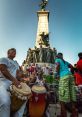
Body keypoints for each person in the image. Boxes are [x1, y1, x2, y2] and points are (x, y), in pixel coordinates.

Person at [0, 48, 26, 117]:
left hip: (14, 82)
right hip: (3, 82)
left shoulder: (16, 63)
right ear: (8, 52)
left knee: (25, 97)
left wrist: (22, 77)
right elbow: (3, 70)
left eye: (15, 51)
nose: (14, 52)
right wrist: (14, 80)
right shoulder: (4, 59)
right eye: (12, 51)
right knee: (5, 101)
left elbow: (18, 75)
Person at [55, 53, 78, 117]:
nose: (56, 57)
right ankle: (74, 113)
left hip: (64, 77)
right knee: (72, 93)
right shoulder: (65, 62)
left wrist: (57, 74)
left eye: (57, 56)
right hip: (70, 76)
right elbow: (72, 66)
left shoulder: (57, 60)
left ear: (58, 56)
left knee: (62, 96)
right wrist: (71, 73)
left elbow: (57, 66)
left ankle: (63, 115)